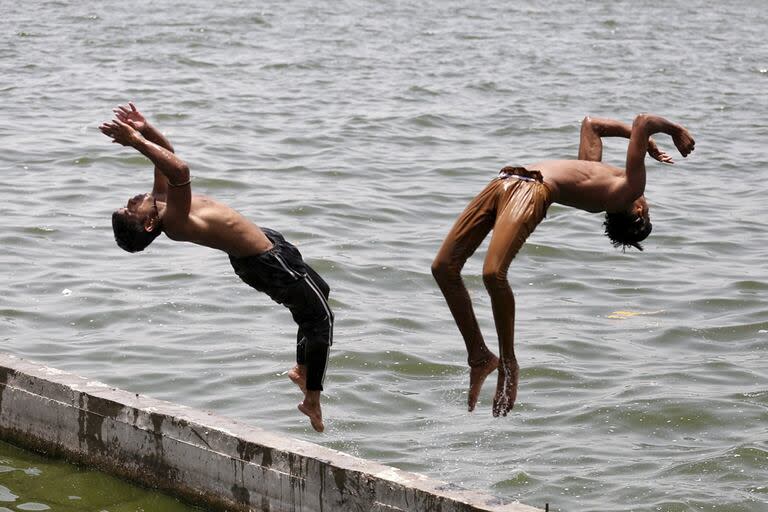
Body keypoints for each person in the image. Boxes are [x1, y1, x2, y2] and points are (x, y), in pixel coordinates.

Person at [431, 114, 695, 417]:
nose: (646, 202)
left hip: (530, 189)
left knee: (493, 274)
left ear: (638, 210)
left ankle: (508, 363)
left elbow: (643, 120)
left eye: (647, 211)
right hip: (505, 181)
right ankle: (479, 357)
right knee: (443, 268)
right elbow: (592, 125)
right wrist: (645, 143)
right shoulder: (600, 178)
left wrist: (674, 131)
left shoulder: (631, 188)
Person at [99, 103, 333, 432]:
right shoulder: (176, 221)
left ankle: (302, 368)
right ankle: (312, 399)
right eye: (130, 209)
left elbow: (166, 155)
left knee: (319, 294)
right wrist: (135, 141)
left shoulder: (161, 203)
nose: (132, 200)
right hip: (266, 261)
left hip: (266, 251)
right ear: (149, 224)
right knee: (321, 318)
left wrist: (144, 129)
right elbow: (180, 170)